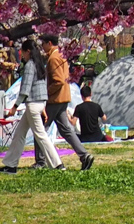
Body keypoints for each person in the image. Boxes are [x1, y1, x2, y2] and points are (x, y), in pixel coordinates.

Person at [0, 38, 63, 173]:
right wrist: (42, 107)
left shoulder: (29, 66)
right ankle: (11, 165)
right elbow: (42, 88)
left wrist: (14, 107)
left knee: (40, 135)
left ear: (28, 51)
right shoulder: (40, 65)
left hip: (33, 105)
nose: (22, 55)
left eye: (23, 52)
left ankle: (58, 165)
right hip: (38, 103)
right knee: (19, 134)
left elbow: (25, 89)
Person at [40, 34, 95, 171]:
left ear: (49, 43)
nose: (42, 47)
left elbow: (58, 81)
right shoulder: (61, 55)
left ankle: (40, 161)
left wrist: (46, 92)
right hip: (64, 98)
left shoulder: (53, 58)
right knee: (66, 130)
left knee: (40, 128)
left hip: (54, 99)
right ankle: (84, 155)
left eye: (43, 44)